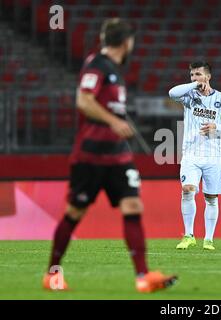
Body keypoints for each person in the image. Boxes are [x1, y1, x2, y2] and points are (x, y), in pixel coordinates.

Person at [42, 18, 176, 293]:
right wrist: (113, 121)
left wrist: (116, 124)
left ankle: (143, 277)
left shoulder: (113, 70)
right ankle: (52, 274)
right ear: (126, 42)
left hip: (117, 155)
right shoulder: (97, 65)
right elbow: (83, 101)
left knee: (133, 207)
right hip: (90, 154)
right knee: (75, 212)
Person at [168, 61, 221, 251]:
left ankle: (208, 239)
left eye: (198, 75)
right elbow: (172, 93)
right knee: (188, 189)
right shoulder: (188, 95)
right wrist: (193, 85)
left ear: (208, 76)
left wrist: (216, 127)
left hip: (214, 155)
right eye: (191, 75)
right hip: (191, 153)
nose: (194, 78)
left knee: (211, 197)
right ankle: (188, 235)